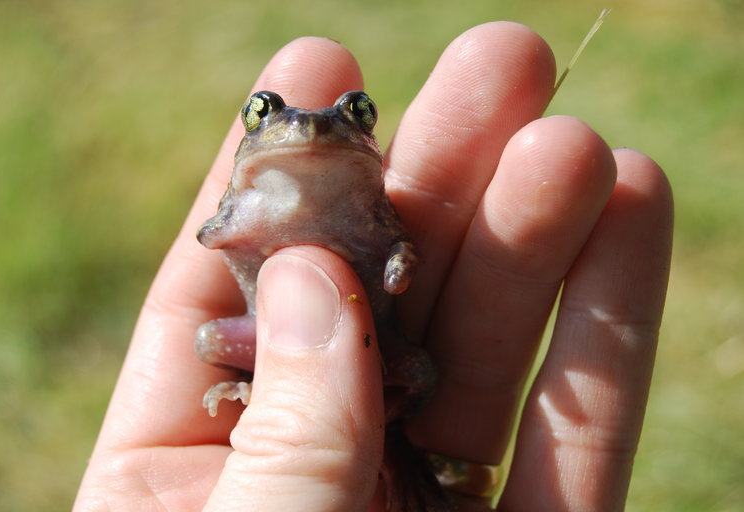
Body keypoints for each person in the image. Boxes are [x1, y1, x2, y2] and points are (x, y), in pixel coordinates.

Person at [74, 22, 672, 512]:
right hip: (267, 337)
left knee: (422, 370)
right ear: (252, 133)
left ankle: (383, 420)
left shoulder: (366, 201)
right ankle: (271, 391)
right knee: (207, 337)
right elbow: (214, 234)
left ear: (366, 137)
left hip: (380, 345)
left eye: (355, 114)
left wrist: (398, 265)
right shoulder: (251, 197)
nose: (309, 129)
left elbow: (397, 249)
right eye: (264, 114)